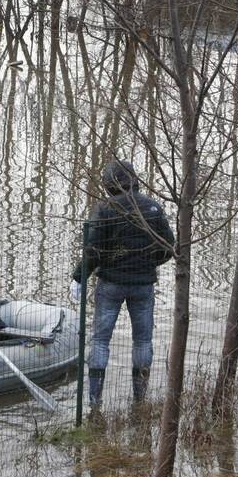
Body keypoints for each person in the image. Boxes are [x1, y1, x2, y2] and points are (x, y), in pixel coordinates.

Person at [71, 160, 174, 407]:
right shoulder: (152, 207)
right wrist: (148, 264)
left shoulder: (105, 209)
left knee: (100, 340)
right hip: (143, 285)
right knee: (143, 340)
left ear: (109, 183)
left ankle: (94, 403)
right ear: (134, 180)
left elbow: (92, 250)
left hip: (110, 284)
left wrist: (79, 278)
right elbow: (169, 246)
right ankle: (140, 400)